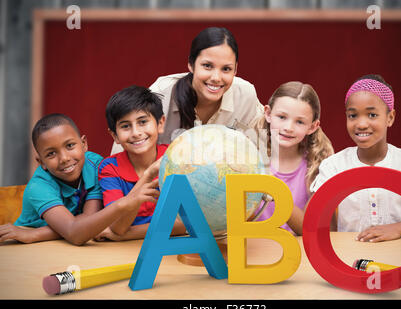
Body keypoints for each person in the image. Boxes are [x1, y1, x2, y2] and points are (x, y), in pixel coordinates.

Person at [310, 74, 401, 242]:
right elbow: (322, 224)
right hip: (350, 261)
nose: (361, 124)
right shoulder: (334, 166)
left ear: (390, 118)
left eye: (372, 115)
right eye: (353, 115)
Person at [0, 113, 159, 245]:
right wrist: (122, 204)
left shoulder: (95, 165)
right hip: (32, 247)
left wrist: (40, 234)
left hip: (70, 243)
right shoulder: (39, 186)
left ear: (84, 144)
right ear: (41, 162)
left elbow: (88, 222)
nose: (64, 158)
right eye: (51, 154)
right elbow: (76, 234)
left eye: (70, 146)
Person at [111, 27, 263, 154]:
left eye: (226, 69)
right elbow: (124, 149)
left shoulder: (245, 95)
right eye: (207, 66)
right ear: (191, 64)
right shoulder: (161, 94)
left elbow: (263, 146)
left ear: (236, 69)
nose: (216, 77)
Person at [96, 85, 186, 241]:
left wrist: (126, 235)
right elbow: (118, 226)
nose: (136, 133)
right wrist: (148, 175)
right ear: (114, 135)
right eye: (125, 126)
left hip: (171, 248)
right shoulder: (110, 168)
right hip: (120, 254)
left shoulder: (176, 156)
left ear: (160, 123)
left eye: (143, 122)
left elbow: (185, 223)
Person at [257, 81, 334, 235]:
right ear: (268, 114)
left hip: (297, 255)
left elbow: (309, 230)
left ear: (312, 126)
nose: (288, 127)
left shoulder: (316, 167)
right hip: (253, 252)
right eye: (282, 117)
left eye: (299, 121)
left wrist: (275, 190)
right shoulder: (249, 160)